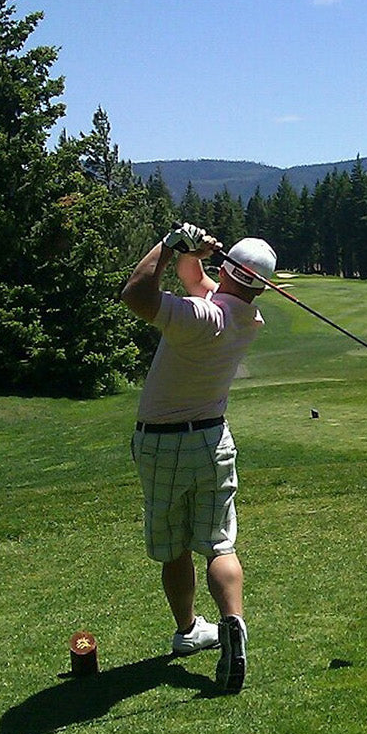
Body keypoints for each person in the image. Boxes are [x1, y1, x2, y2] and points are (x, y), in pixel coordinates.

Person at [119, 224, 277, 694]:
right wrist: (196, 253)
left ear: (230, 272)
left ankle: (189, 630)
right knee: (218, 545)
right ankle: (232, 623)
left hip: (162, 443)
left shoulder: (201, 317)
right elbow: (197, 280)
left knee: (174, 546)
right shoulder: (246, 317)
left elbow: (135, 294)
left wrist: (168, 247)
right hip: (213, 439)